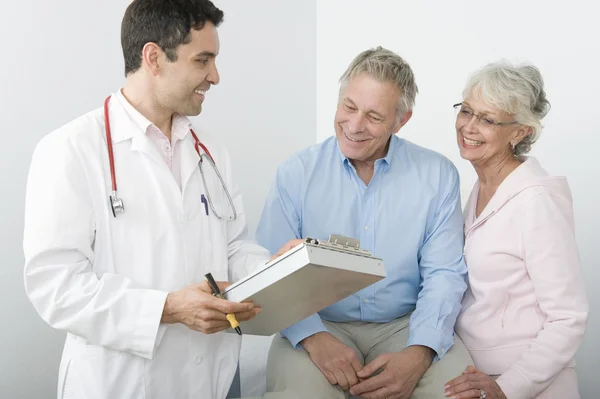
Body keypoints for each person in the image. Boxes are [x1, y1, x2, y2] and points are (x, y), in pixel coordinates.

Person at [22, 1, 296, 398]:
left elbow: (233, 245)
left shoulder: (210, 151)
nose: (215, 76)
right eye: (203, 60)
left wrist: (273, 270)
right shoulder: (70, 150)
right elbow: (56, 287)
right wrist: (167, 309)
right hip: (121, 382)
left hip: (211, 378)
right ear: (153, 57)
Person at [256, 46, 473, 399]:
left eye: (373, 116)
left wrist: (420, 353)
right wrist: (314, 337)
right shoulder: (296, 173)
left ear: (401, 121)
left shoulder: (437, 176)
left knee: (462, 395)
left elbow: (444, 274)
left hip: (407, 324)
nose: (354, 126)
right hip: (317, 321)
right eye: (349, 107)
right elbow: (271, 271)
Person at [444, 60, 589, 399]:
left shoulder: (536, 201)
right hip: (476, 373)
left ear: (521, 131)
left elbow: (568, 317)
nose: (469, 126)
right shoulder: (481, 187)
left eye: (488, 119)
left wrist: (509, 387)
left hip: (529, 382)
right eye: (466, 111)